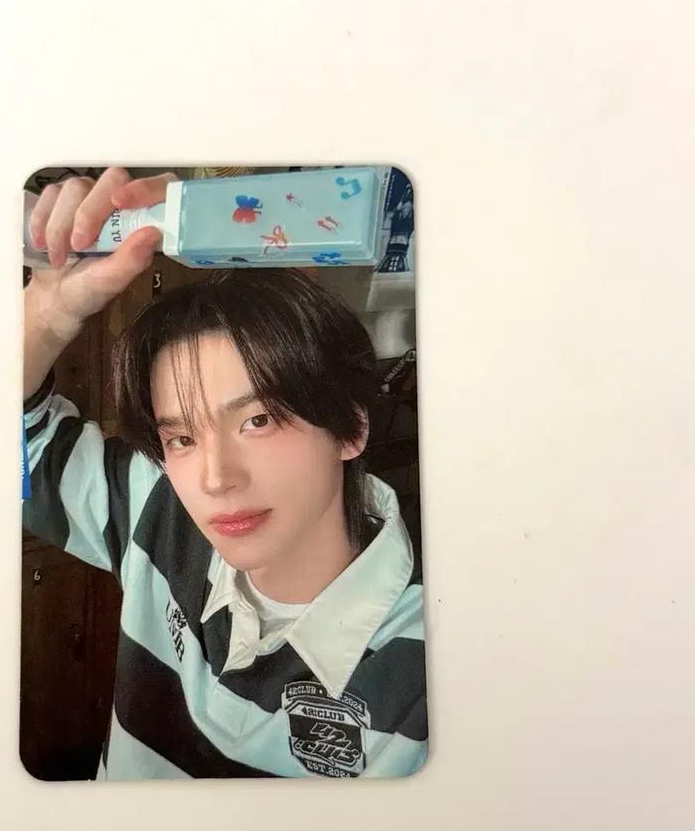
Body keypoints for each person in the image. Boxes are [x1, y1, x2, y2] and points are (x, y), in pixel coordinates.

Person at [22, 167, 426, 780]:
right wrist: (46, 315)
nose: (215, 480)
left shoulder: (432, 663)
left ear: (351, 428)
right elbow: (2, 454)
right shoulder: (156, 507)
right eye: (181, 438)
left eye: (258, 421)